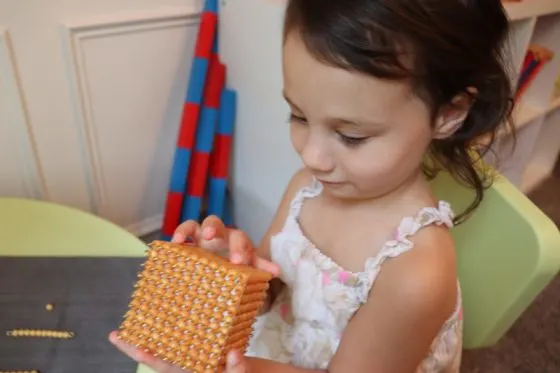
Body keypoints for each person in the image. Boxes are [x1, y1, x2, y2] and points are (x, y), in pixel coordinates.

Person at [110, 0, 514, 371]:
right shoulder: (307, 188)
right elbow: (269, 291)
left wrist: (228, 367)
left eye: (351, 136)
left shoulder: (415, 273)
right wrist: (227, 269)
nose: (312, 156)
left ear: (449, 113)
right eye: (299, 116)